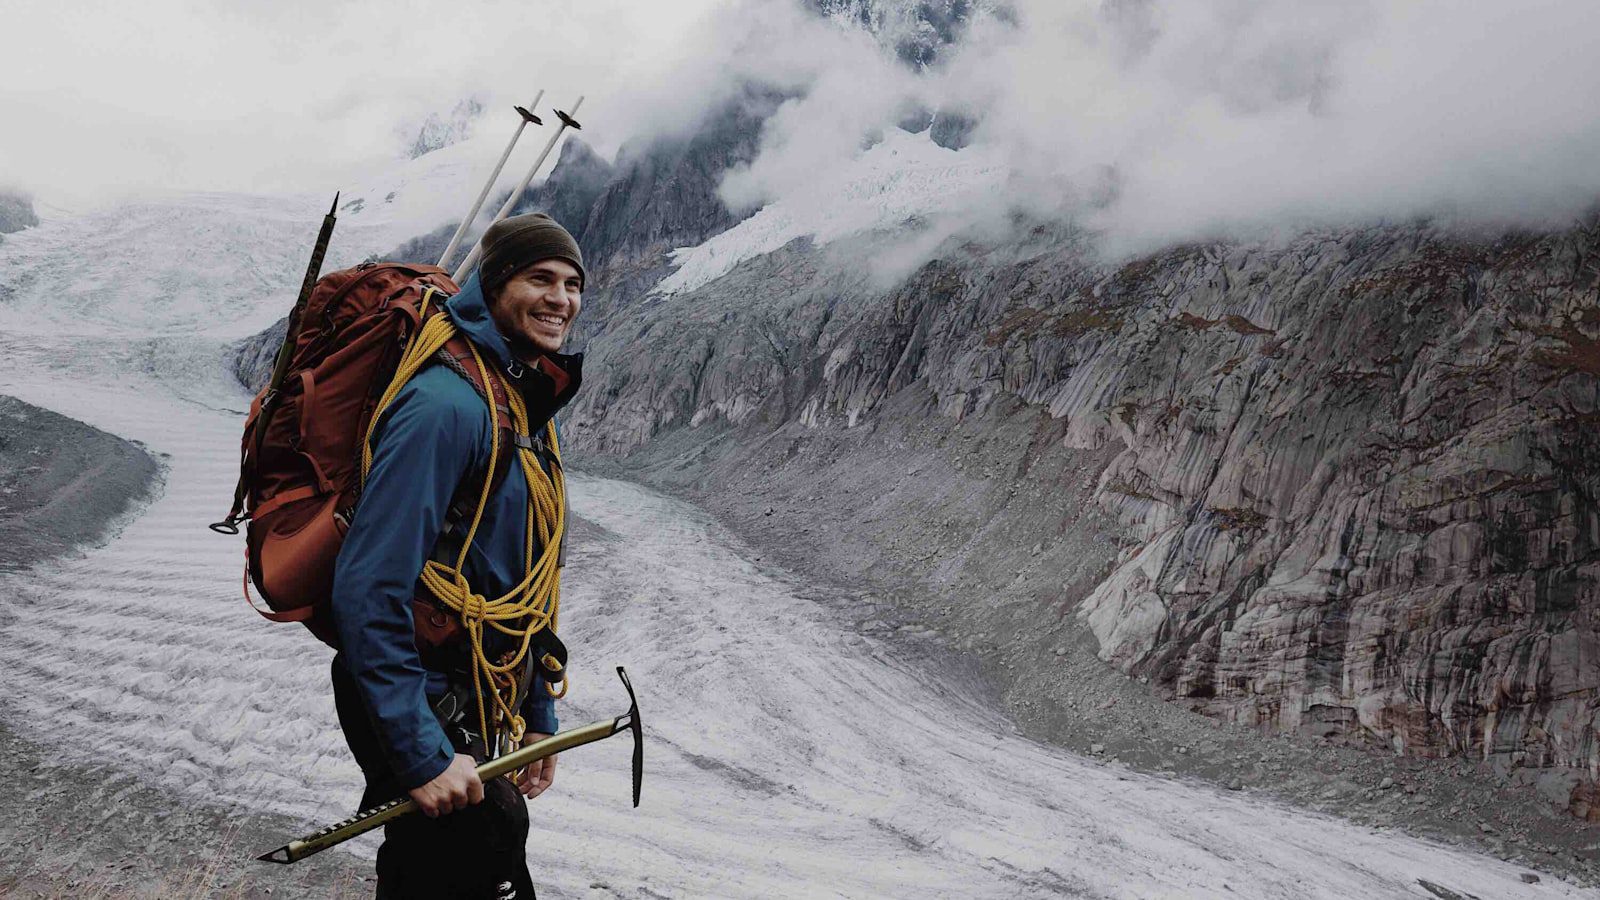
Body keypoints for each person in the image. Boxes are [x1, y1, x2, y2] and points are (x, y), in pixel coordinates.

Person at [329, 212, 585, 899]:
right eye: (540, 277)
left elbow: (515, 579)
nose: (561, 298)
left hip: (470, 686)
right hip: (421, 684)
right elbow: (367, 584)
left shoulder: (519, 400)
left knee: (476, 858)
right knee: (461, 865)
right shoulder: (447, 404)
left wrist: (539, 709)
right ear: (496, 282)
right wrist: (417, 754)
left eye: (571, 282)